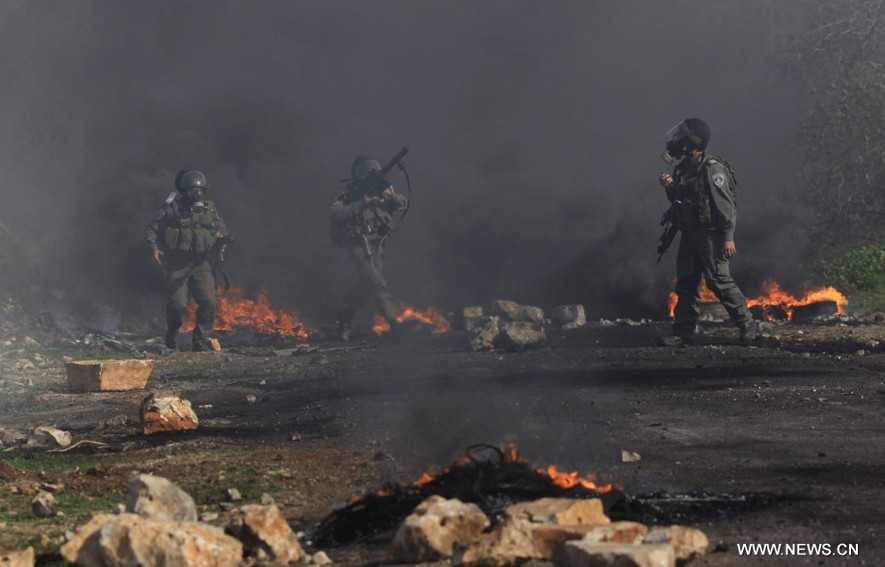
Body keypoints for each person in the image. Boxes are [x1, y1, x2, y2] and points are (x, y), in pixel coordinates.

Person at [657, 118, 757, 346]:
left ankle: (747, 325)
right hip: (690, 235)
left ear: (693, 142)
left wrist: (728, 237)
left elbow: (725, 206)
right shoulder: (682, 169)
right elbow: (680, 200)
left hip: (711, 235)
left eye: (682, 135)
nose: (676, 139)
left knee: (719, 281)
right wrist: (670, 187)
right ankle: (683, 332)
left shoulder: (712, 169)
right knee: (686, 283)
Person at [145, 170, 229, 351]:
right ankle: (172, 331)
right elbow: (152, 229)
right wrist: (154, 249)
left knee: (209, 301)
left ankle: (201, 338)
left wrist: (222, 242)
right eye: (193, 191)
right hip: (178, 263)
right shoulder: (172, 208)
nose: (197, 195)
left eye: (200, 191)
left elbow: (220, 228)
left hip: (201, 263)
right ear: (184, 191)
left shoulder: (209, 208)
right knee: (177, 304)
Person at [330, 155, 408, 341]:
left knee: (368, 283)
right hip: (357, 243)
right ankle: (395, 321)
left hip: (378, 241)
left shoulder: (380, 191)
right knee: (375, 281)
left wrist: (391, 193)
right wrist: (361, 203)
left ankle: (345, 316)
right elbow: (337, 214)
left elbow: (401, 204)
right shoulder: (348, 195)